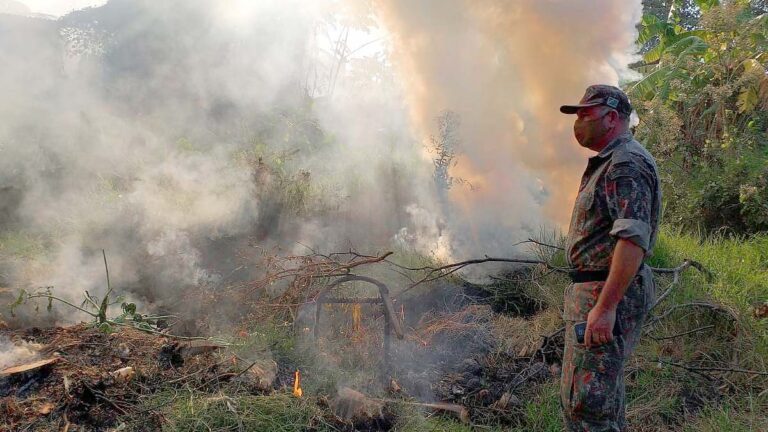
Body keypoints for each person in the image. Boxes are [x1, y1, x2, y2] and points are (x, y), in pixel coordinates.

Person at [558, 85, 661, 431]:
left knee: (588, 406)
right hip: (596, 290)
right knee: (601, 400)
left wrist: (605, 308)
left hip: (604, 292)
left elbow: (633, 240)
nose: (578, 122)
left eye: (585, 114)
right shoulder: (611, 161)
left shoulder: (625, 164)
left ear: (612, 117)